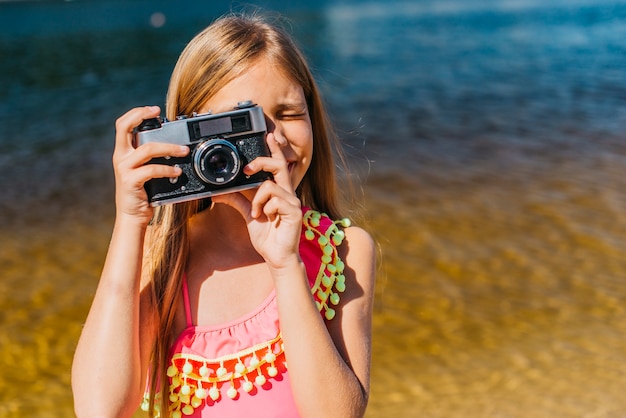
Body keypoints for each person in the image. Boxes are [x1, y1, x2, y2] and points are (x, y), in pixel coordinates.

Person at [72, 12, 376, 418]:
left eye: (289, 114)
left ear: (313, 117)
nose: (275, 140)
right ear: (189, 139)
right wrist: (130, 221)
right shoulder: (161, 259)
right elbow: (99, 410)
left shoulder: (344, 252)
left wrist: (286, 264)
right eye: (242, 126)